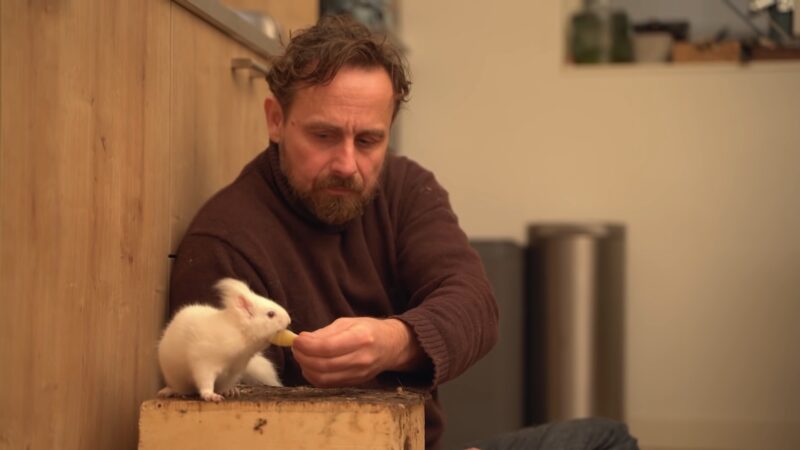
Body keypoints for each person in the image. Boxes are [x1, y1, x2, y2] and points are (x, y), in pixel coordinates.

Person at [168, 14, 638, 450]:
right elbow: (222, 430)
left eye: (368, 140)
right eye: (324, 136)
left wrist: (396, 340)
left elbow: (475, 304)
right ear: (276, 120)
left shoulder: (407, 187)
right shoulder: (225, 246)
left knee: (608, 438)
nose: (347, 165)